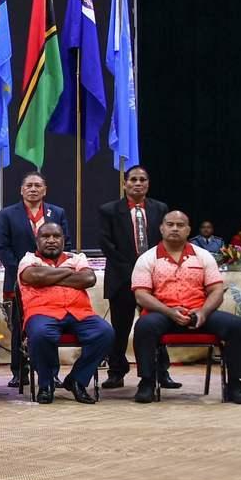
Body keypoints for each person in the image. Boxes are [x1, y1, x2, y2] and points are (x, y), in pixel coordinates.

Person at [131, 211, 241, 405]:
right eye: (170, 224)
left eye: (180, 225)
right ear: (161, 228)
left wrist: (203, 312)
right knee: (144, 326)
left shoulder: (203, 256)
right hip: (163, 313)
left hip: (199, 314)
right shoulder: (147, 258)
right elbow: (141, 295)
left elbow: (216, 290)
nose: (175, 229)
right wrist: (169, 311)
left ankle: (235, 385)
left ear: (188, 230)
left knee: (238, 326)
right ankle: (147, 382)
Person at [17, 222, 114, 404]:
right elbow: (35, 276)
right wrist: (70, 274)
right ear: (37, 241)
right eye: (45, 236)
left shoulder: (77, 258)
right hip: (42, 312)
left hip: (79, 313)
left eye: (56, 236)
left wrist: (49, 277)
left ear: (63, 239)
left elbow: (88, 278)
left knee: (105, 333)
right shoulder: (28, 260)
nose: (51, 240)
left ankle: (77, 380)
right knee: (40, 334)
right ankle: (46, 384)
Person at [98, 165, 172, 389]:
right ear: (125, 184)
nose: (138, 183)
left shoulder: (160, 208)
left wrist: (151, 271)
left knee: (156, 325)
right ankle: (116, 371)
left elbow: (165, 241)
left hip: (155, 280)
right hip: (122, 278)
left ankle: (161, 372)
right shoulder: (109, 210)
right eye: (133, 180)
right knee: (120, 329)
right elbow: (106, 244)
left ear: (148, 184)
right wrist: (135, 272)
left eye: (142, 180)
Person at [0, 171, 69, 387]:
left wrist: (49, 272)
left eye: (38, 185)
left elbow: (66, 244)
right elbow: (3, 248)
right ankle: (19, 372)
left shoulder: (57, 213)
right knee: (19, 326)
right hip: (18, 280)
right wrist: (24, 272)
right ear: (21, 190)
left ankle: (51, 372)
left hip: (51, 279)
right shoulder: (8, 214)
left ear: (45, 190)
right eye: (29, 185)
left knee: (49, 326)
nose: (33, 189)